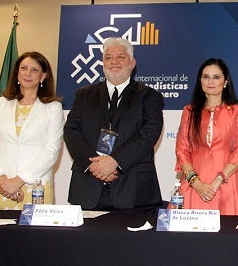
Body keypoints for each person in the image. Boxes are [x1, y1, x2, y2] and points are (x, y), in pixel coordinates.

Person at [64, 37, 164, 212]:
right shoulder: (84, 95)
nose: (114, 62)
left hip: (134, 192)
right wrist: (95, 166)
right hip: (89, 189)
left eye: (120, 57)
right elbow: (71, 131)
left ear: (132, 63)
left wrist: (115, 161)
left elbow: (148, 134)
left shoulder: (149, 96)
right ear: (103, 63)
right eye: (108, 58)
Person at [0, 51, 64, 209]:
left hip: (34, 187)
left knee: (31, 234)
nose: (28, 73)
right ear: (17, 73)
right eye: (23, 68)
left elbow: (51, 151)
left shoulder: (53, 108)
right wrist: (4, 182)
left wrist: (17, 182)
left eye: (34, 70)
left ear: (43, 76)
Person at [175, 58, 238, 215]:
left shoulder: (236, 111)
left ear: (225, 82)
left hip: (227, 182)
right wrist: (196, 183)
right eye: (206, 76)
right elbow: (182, 150)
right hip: (194, 184)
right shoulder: (189, 111)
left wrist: (217, 182)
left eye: (216, 77)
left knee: (228, 234)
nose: (210, 81)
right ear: (200, 81)